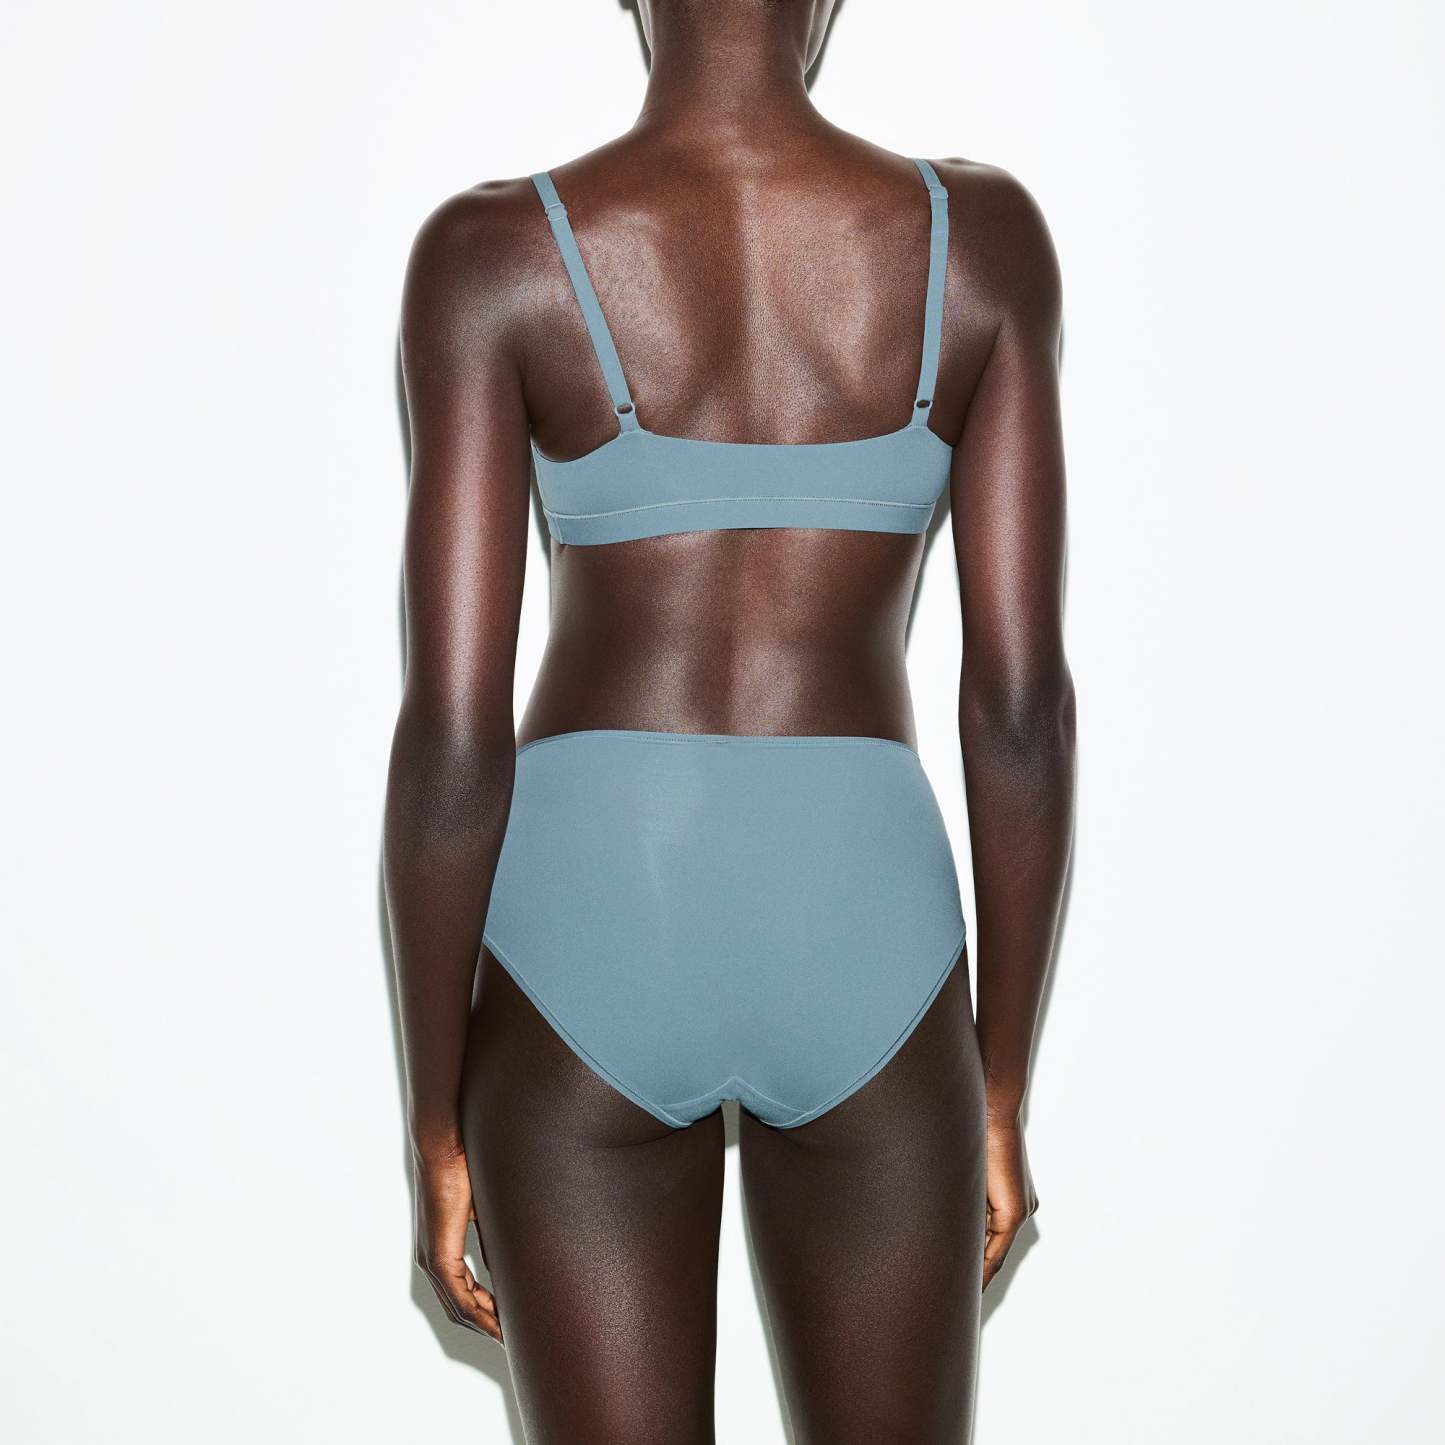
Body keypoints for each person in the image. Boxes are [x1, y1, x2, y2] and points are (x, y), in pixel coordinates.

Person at [384, 1, 1075, 1438]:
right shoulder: (981, 243)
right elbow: (1017, 710)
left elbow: (452, 734)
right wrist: (997, 1078)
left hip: (590, 926)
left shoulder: (493, 254)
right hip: (865, 927)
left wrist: (436, 1121)